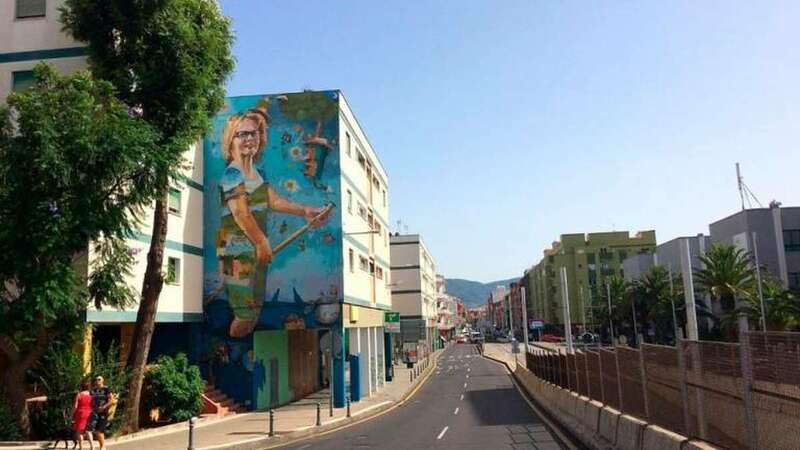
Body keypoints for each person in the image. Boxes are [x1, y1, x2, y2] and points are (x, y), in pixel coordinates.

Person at [217, 107, 331, 338]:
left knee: (255, 309)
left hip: (257, 252)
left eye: (254, 133)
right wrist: (260, 242)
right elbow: (241, 213)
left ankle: (238, 346)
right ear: (231, 139)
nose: (250, 138)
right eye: (243, 134)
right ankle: (227, 348)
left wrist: (306, 210)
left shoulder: (255, 174)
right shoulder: (232, 174)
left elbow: (275, 201)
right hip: (237, 253)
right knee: (245, 314)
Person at [87, 375, 112, 450]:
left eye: (99, 379)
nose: (97, 381)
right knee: (96, 430)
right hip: (95, 412)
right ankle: (102, 446)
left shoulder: (106, 389)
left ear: (102, 380)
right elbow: (90, 400)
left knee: (99, 430)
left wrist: (104, 407)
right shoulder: (94, 390)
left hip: (103, 412)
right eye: (96, 380)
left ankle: (103, 446)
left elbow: (111, 400)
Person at [72, 380, 94, 450]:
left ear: (81, 387)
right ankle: (92, 446)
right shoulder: (91, 395)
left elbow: (75, 406)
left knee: (80, 431)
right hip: (89, 412)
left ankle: (81, 447)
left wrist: (72, 413)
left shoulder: (79, 395)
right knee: (88, 431)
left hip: (80, 413)